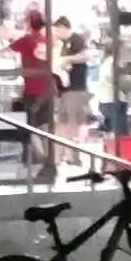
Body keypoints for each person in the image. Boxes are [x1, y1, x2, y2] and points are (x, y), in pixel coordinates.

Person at [8, 11, 58, 180]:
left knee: (31, 127)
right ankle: (50, 160)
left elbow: (3, 52)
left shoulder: (26, 40)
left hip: (33, 90)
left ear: (29, 23)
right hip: (49, 88)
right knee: (46, 127)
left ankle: (44, 160)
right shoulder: (47, 41)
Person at [52, 17, 94, 163]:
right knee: (62, 123)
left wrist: (68, 59)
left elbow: (86, 55)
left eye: (58, 30)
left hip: (76, 88)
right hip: (63, 89)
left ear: (64, 28)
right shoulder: (60, 44)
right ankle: (62, 155)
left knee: (73, 123)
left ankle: (72, 155)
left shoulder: (76, 40)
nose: (56, 33)